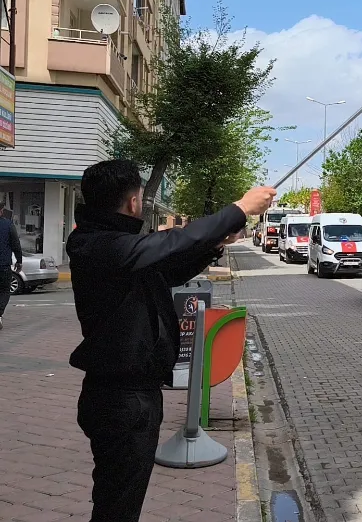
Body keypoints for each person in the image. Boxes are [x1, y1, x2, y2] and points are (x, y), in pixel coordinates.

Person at [67, 160, 275, 522]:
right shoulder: (99, 245)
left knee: (118, 495)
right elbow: (171, 242)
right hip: (121, 399)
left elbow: (169, 269)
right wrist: (240, 209)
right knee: (119, 504)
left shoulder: (113, 246)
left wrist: (213, 246)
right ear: (133, 202)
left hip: (128, 394)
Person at [0, 207, 22, 329]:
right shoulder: (8, 225)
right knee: (4, 291)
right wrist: (19, 261)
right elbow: (16, 244)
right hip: (3, 265)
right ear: (1, 211)